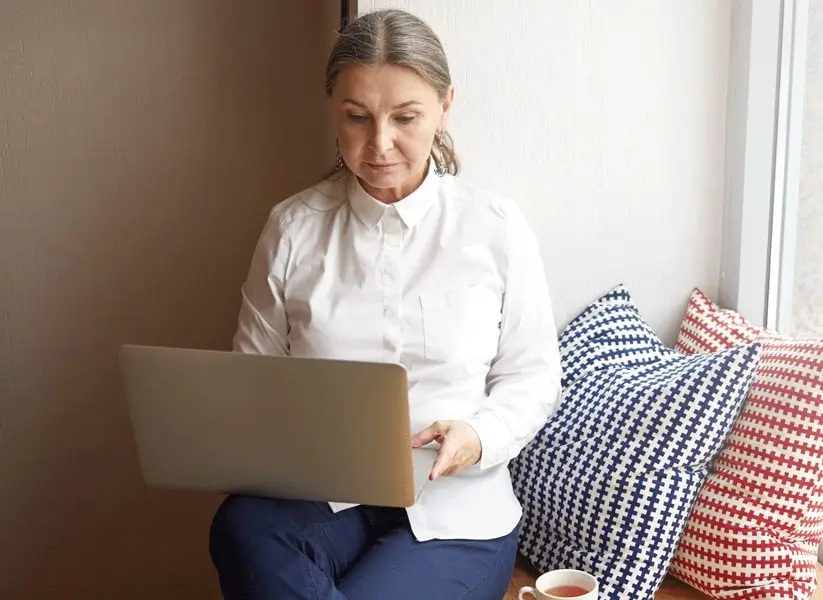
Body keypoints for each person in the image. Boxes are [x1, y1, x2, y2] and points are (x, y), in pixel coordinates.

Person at [208, 9, 563, 600]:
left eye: (406, 117)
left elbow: (534, 377)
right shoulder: (293, 229)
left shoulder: (495, 228)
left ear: (445, 108)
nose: (379, 144)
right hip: (320, 497)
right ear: (333, 111)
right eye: (356, 117)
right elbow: (252, 381)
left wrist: (478, 434)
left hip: (457, 513)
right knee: (240, 527)